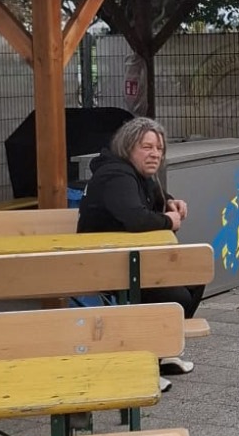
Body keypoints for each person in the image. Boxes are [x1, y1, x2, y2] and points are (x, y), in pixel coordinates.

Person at [77, 115, 203, 377]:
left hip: (130, 260)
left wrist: (169, 201)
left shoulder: (137, 174)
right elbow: (135, 218)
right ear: (128, 147)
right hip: (105, 266)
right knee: (176, 296)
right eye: (147, 147)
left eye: (159, 148)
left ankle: (161, 352)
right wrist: (169, 221)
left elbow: (149, 198)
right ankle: (146, 362)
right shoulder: (116, 175)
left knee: (194, 277)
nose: (155, 154)